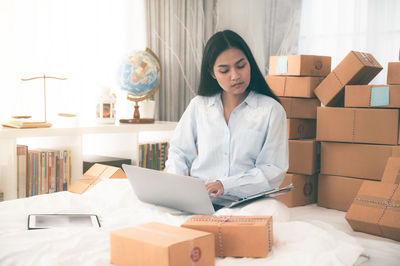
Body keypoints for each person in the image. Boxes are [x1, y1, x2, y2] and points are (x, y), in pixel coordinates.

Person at [165, 29, 288, 199]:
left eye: (241, 66)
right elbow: (179, 153)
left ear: (250, 63)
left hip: (248, 200)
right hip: (201, 198)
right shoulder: (199, 106)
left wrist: (226, 185)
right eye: (224, 71)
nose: (235, 76)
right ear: (212, 73)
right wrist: (178, 189)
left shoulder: (271, 110)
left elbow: (273, 170)